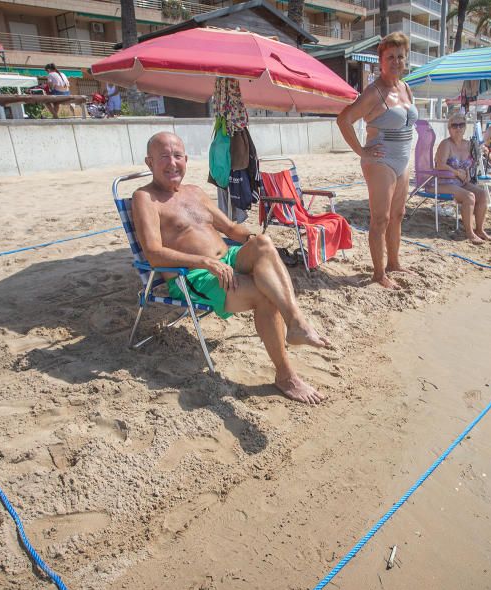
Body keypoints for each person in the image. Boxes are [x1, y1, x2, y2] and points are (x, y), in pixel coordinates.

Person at [130, 132, 331, 404]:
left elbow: (231, 229)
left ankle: (296, 323)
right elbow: (153, 254)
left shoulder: (195, 193)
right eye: (163, 156)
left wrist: (257, 242)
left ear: (186, 160)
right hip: (193, 275)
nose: (172, 163)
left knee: (262, 242)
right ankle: (286, 376)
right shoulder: (145, 198)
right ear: (149, 162)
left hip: (228, 259)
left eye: (177, 155)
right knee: (264, 295)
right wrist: (205, 262)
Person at [336, 32, 416, 290]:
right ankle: (379, 273)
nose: (396, 61)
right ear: (381, 61)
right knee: (380, 218)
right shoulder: (374, 92)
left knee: (398, 214)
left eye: (400, 57)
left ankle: (394, 263)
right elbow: (344, 120)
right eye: (390, 57)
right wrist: (362, 151)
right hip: (380, 161)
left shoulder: (405, 88)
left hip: (403, 159)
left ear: (405, 60)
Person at [434, 112, 489, 243]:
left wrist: (467, 172)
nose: (458, 128)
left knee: (482, 194)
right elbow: (440, 165)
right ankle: (470, 233)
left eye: (461, 125)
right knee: (469, 196)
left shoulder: (468, 144)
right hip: (442, 182)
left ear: (465, 127)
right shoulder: (445, 144)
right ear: (449, 129)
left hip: (460, 183)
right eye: (454, 125)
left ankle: (480, 229)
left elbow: (469, 164)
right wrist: (458, 173)